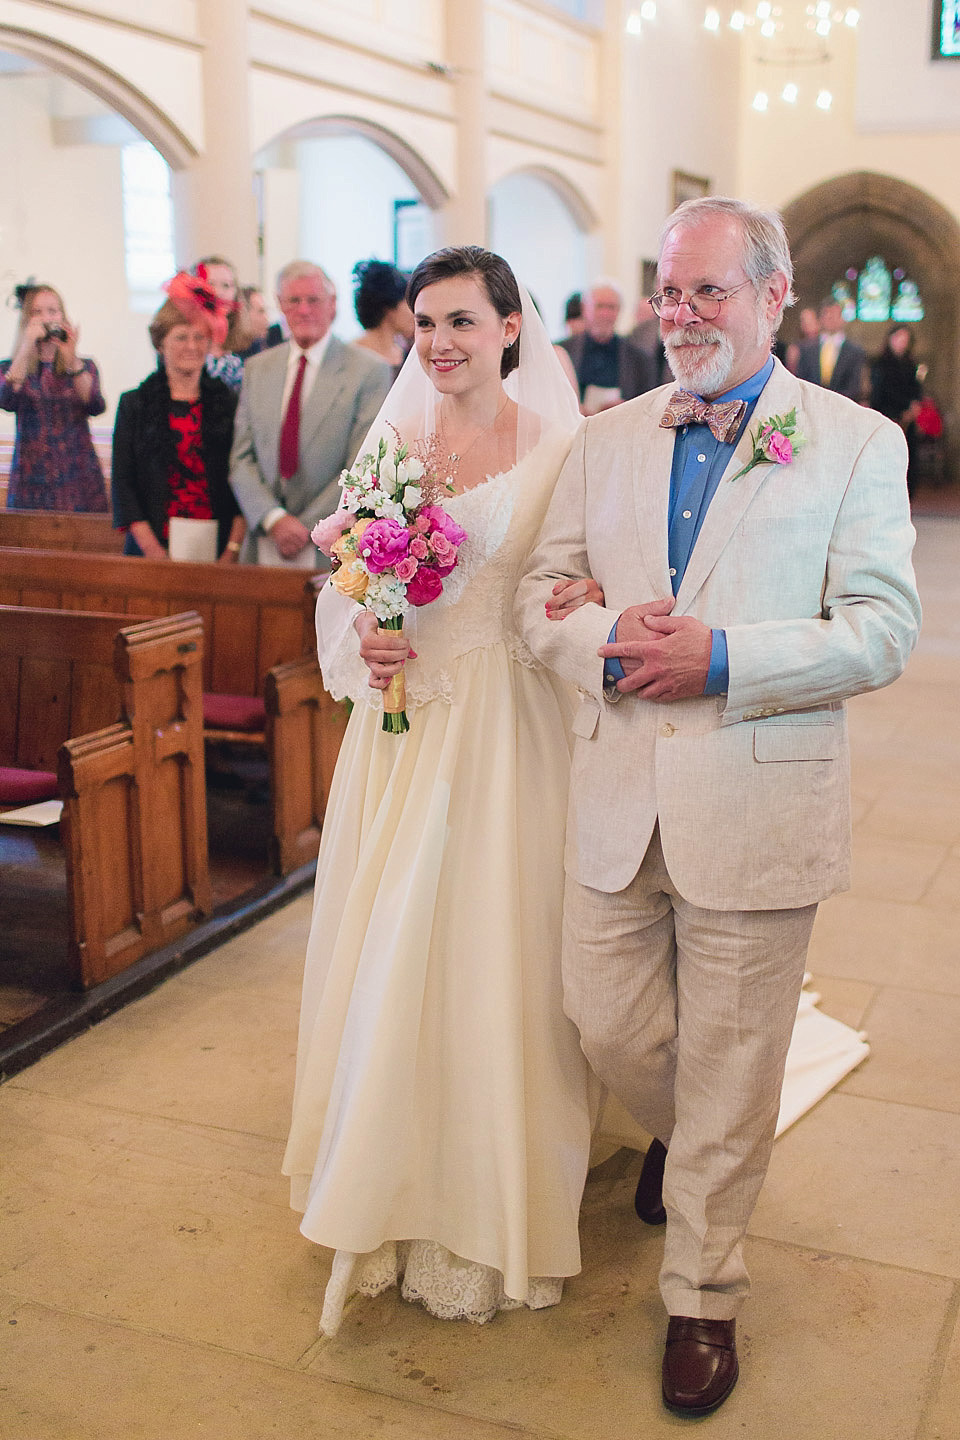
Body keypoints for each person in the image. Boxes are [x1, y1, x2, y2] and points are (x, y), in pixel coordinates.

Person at [517, 196, 920, 1418]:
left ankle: (703, 1293)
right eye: (668, 291)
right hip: (617, 789)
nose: (681, 316)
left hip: (756, 792)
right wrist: (596, 635)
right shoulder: (608, 435)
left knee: (739, 1055)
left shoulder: (853, 441)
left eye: (708, 292)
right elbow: (542, 587)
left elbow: (884, 629)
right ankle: (687, 1148)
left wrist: (727, 659)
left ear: (771, 293)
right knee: (606, 1023)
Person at [282, 245, 602, 1335]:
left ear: (513, 327)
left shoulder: (560, 448)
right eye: (426, 323)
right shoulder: (400, 436)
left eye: (463, 320)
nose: (442, 343)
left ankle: (485, 1194)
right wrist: (370, 626)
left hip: (503, 729)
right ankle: (381, 1177)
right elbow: (356, 570)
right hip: (402, 729)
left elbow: (562, 589)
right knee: (391, 948)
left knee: (484, 952)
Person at [228, 260, 391, 565]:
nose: (304, 310)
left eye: (313, 300)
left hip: (333, 544)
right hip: (263, 539)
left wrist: (306, 527)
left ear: (333, 305)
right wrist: (273, 518)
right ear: (280, 305)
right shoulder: (257, 369)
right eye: (294, 300)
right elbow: (241, 457)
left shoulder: (369, 372)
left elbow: (362, 464)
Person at [111, 271, 245, 560]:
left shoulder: (228, 403)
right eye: (181, 337)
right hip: (152, 544)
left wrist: (232, 550)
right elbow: (124, 483)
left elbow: (240, 478)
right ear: (160, 344)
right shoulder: (135, 404)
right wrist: (153, 550)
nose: (192, 346)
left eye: (200, 337)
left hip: (218, 542)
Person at [0, 281, 108, 512]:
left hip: (79, 477)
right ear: (26, 320)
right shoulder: (11, 367)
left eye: (52, 311)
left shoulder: (84, 366)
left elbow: (96, 405)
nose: (46, 318)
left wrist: (71, 360)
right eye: (37, 312)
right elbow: (6, 399)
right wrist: (27, 344)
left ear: (63, 316)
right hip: (30, 480)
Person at [559, 280, 658, 413]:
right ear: (584, 309)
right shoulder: (563, 351)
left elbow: (649, 405)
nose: (605, 314)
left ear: (619, 311)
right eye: (599, 306)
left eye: (611, 307)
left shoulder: (638, 358)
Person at [870, 324, 923, 495]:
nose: (902, 342)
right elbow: (880, 393)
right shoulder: (881, 364)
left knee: (908, 462)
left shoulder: (911, 364)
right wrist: (901, 410)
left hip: (908, 421)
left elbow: (917, 390)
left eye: (905, 339)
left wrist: (913, 407)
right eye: (899, 338)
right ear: (890, 339)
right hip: (888, 416)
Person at [795, 297, 867, 401]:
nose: (830, 317)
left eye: (834, 314)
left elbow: (854, 386)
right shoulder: (807, 349)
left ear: (842, 318)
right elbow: (801, 379)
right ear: (820, 318)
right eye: (826, 314)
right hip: (812, 404)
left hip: (842, 406)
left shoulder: (854, 352)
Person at [192, 256, 247, 391]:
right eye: (210, 284)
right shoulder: (183, 343)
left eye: (226, 285)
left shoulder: (247, 346)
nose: (218, 293)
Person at [350, 257, 415, 372]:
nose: (414, 313)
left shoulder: (407, 356)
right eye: (408, 302)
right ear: (388, 307)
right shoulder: (350, 356)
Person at [237, 285, 273, 360]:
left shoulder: (262, 348)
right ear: (243, 314)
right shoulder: (230, 361)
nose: (267, 318)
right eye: (261, 311)